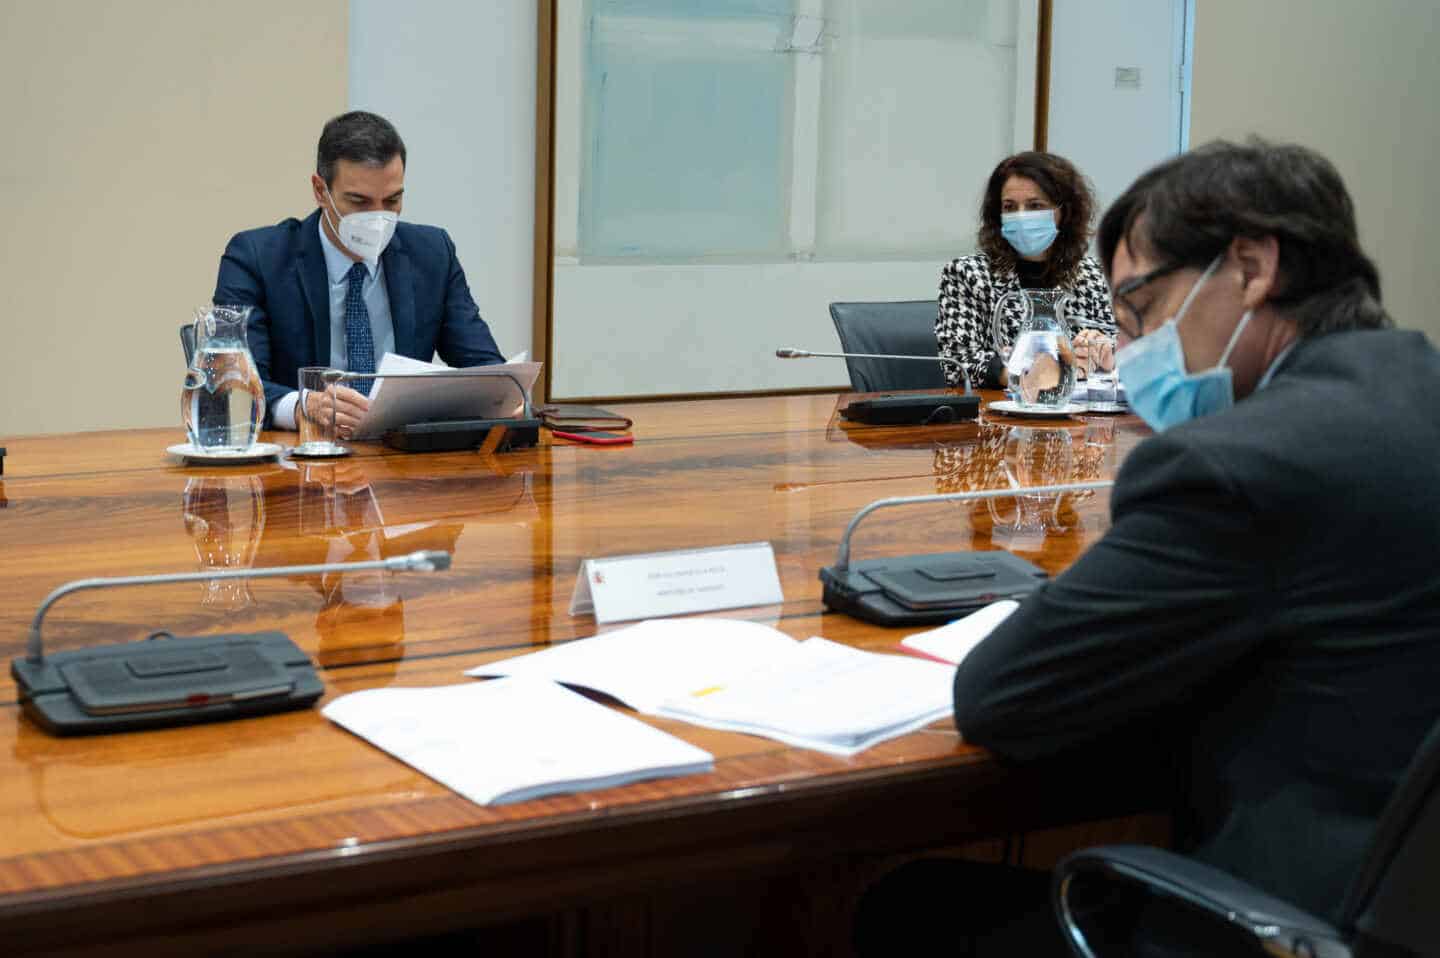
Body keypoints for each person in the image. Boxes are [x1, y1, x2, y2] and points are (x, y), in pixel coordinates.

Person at [859, 139, 1440, 955]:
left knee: (915, 906)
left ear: (1251, 267)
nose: (1132, 354)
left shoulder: (1233, 466)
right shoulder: (1417, 384)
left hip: (1288, 914)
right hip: (1407, 897)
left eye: (1141, 308)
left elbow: (1002, 695)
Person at [214, 111, 504, 437]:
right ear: (321, 191)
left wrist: (506, 397)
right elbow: (238, 384)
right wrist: (303, 406)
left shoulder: (433, 253)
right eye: (359, 202)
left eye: (392, 200)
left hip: (404, 466)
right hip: (302, 463)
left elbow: (486, 370)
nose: (378, 217)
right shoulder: (257, 258)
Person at [935, 151, 1114, 392]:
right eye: (1010, 207)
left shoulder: (1091, 275)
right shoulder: (967, 274)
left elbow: (1112, 350)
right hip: (999, 418)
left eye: (1035, 206)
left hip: (1080, 417)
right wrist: (1027, 374)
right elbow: (956, 365)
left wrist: (1103, 356)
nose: (1021, 216)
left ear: (1064, 212)